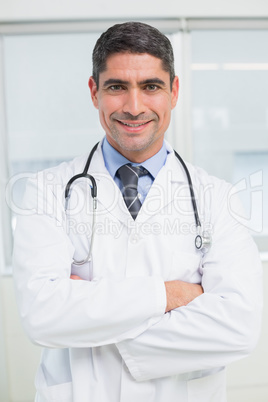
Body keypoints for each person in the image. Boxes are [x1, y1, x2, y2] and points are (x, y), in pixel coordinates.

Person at [13, 22, 262, 402]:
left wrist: (91, 323)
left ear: (174, 91)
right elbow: (42, 316)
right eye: (116, 87)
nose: (134, 107)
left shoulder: (217, 198)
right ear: (94, 91)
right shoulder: (47, 191)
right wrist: (170, 295)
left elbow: (240, 326)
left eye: (151, 86)